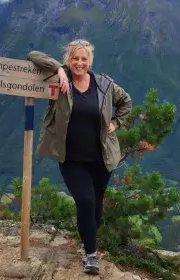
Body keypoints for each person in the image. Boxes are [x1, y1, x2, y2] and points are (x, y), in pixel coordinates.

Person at [27, 39, 132, 275]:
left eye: (84, 59)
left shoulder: (104, 84)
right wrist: (57, 70)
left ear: (90, 61)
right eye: (75, 58)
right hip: (71, 159)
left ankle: (88, 241)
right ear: (68, 59)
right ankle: (91, 254)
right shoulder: (60, 78)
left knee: (95, 210)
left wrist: (116, 122)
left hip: (100, 159)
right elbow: (33, 54)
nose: (79, 63)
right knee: (85, 201)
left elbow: (126, 102)